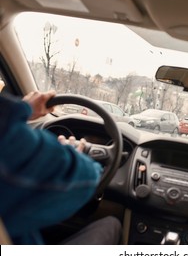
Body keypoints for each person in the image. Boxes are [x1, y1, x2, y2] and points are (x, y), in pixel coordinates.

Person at [0, 90, 121, 245]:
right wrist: (73, 153)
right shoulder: (10, 141)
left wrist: (23, 109)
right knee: (112, 225)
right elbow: (88, 178)